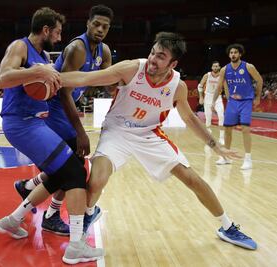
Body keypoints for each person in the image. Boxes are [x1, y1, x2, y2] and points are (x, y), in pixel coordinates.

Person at [60, 32, 258, 250]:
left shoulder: (177, 86)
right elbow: (86, 78)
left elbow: (189, 118)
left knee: (192, 179)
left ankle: (227, 226)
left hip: (148, 134)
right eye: (153, 52)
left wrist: (215, 145)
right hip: (117, 130)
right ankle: (89, 213)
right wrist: (50, 77)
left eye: (161, 56)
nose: (153, 59)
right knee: (97, 180)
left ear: (173, 63)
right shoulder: (131, 68)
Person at [0, 7, 104, 265]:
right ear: (45, 30)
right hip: (20, 124)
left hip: (37, 123)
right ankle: (76, 246)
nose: (59, 35)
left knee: (62, 173)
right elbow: (1, 79)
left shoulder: (43, 54)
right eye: (57, 31)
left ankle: (13, 220)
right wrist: (38, 72)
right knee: (76, 174)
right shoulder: (19, 47)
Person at [13, 4, 114, 236]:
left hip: (65, 112)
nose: (99, 29)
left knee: (71, 167)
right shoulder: (77, 48)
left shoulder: (104, 52)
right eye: (96, 24)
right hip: (53, 110)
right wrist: (80, 131)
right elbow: (64, 92)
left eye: (105, 26)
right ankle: (50, 214)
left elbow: (110, 81)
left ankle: (29, 186)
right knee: (73, 169)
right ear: (87, 23)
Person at [213, 44, 263, 170]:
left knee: (245, 129)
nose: (233, 54)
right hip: (232, 102)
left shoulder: (248, 66)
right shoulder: (224, 69)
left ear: (240, 54)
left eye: (235, 52)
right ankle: (226, 157)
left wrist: (257, 97)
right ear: (229, 55)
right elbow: (219, 86)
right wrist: (213, 101)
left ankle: (248, 159)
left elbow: (259, 80)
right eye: (231, 53)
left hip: (246, 101)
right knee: (227, 129)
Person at [198, 61, 225, 144]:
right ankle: (208, 131)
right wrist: (201, 97)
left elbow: (225, 86)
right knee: (208, 116)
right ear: (212, 67)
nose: (215, 68)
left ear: (219, 67)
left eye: (217, 66)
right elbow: (200, 86)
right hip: (208, 96)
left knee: (221, 115)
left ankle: (221, 137)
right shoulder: (207, 75)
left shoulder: (222, 76)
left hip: (218, 97)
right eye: (214, 66)